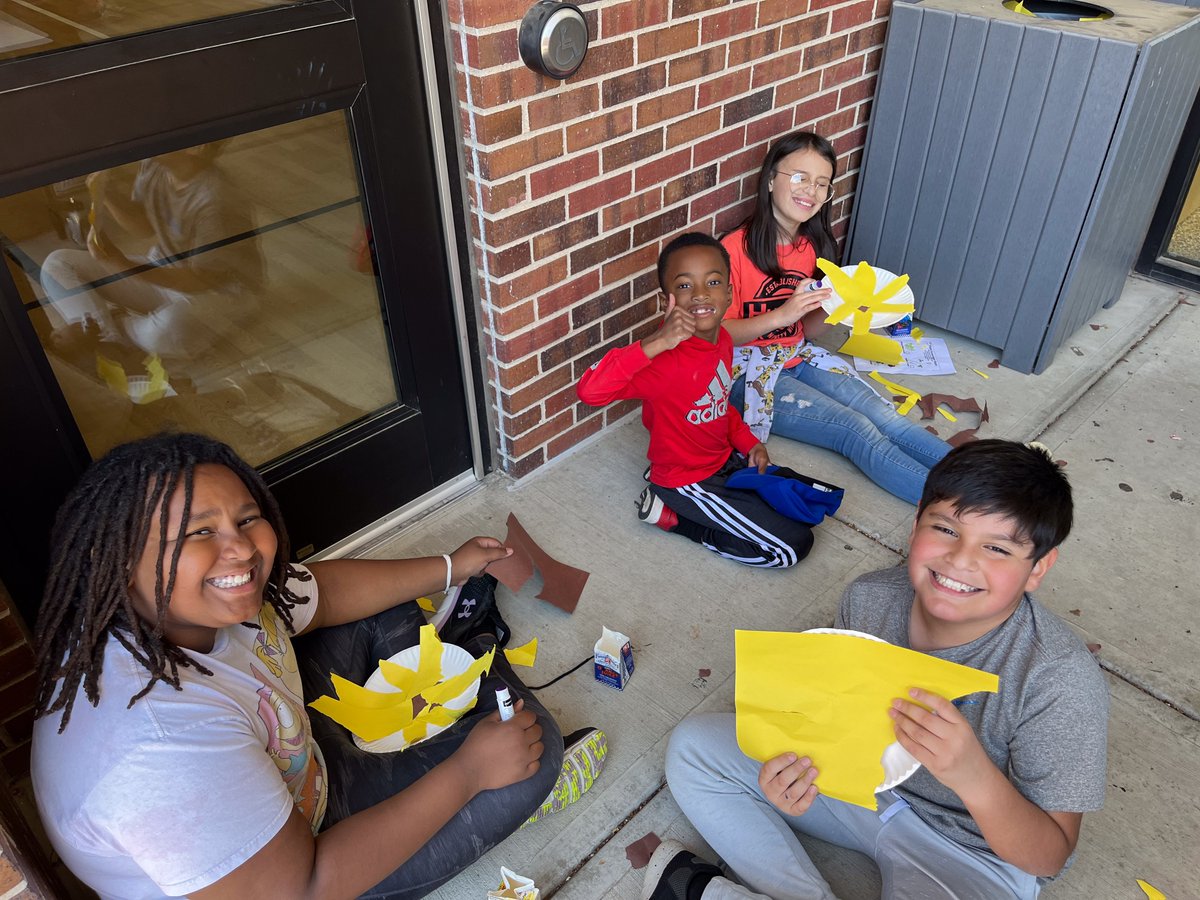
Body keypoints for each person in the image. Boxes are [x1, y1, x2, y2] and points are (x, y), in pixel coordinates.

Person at [31, 432, 603, 899]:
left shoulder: (173, 605)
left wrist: (453, 565)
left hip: (291, 761)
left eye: (247, 519)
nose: (243, 549)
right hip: (312, 860)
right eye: (199, 532)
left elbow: (321, 594)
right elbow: (302, 887)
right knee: (536, 751)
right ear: (118, 558)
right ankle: (487, 724)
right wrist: (471, 773)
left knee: (389, 606)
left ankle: (469, 671)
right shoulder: (155, 748)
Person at [650, 439, 1109, 899]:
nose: (961, 560)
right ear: (915, 527)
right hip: (860, 793)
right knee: (694, 749)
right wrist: (794, 771)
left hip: (972, 850)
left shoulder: (1058, 679)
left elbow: (1049, 857)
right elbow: (829, 724)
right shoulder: (869, 599)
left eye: (997, 548)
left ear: (1037, 568)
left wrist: (975, 777)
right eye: (946, 529)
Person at [578, 233, 839, 569]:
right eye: (685, 285)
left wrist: (748, 443)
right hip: (686, 480)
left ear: (729, 292)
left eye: (713, 282)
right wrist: (656, 342)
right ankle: (676, 519)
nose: (701, 294)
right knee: (791, 548)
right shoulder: (662, 360)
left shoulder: (724, 339)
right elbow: (590, 391)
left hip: (724, 459)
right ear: (667, 299)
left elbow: (716, 403)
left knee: (810, 505)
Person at [720, 130, 951, 505]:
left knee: (883, 415)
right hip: (742, 374)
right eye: (799, 177)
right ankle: (961, 506)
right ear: (769, 180)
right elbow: (716, 337)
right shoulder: (731, 250)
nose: (809, 191)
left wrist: (842, 309)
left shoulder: (812, 247)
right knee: (854, 428)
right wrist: (782, 314)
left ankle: (983, 478)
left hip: (796, 356)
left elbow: (805, 331)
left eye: (822, 184)